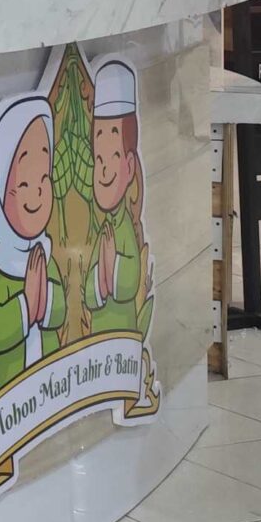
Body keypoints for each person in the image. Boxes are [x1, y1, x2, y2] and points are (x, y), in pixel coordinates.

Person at [0, 95, 63, 399]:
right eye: (23, 185)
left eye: (43, 179)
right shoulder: (5, 269)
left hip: (53, 380)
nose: (36, 195)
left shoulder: (43, 258)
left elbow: (60, 309)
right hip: (10, 395)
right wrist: (27, 303)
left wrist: (46, 299)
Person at [87, 59, 149, 336]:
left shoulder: (123, 227)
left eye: (113, 157)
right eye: (98, 159)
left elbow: (130, 282)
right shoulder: (103, 229)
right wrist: (99, 281)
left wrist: (113, 266)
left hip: (123, 335)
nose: (103, 170)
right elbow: (89, 294)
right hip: (97, 336)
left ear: (130, 165)